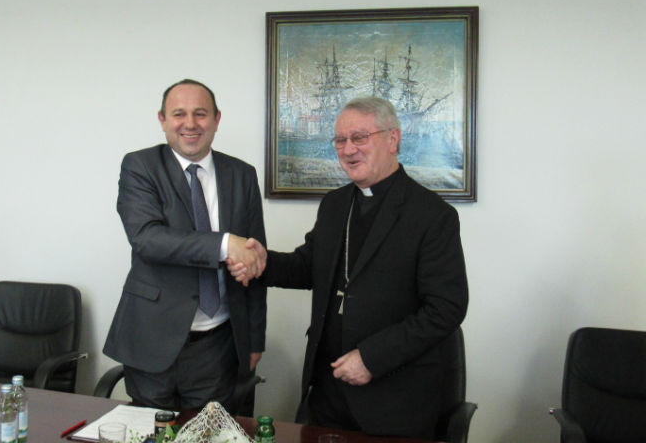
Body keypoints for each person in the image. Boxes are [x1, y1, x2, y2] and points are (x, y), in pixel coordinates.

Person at [230, 96, 468, 438]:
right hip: (328, 390)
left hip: (394, 398)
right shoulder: (335, 204)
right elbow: (309, 266)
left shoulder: (432, 215)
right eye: (340, 140)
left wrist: (371, 358)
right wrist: (262, 263)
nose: (348, 149)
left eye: (359, 137)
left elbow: (446, 308)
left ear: (393, 139)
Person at [103, 78, 267, 412]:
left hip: (217, 346)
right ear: (162, 120)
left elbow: (254, 261)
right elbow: (148, 239)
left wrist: (254, 339)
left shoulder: (242, 174)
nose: (190, 124)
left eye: (200, 114)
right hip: (151, 338)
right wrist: (225, 244)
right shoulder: (140, 166)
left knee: (209, 432)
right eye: (179, 114)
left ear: (216, 119)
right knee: (151, 431)